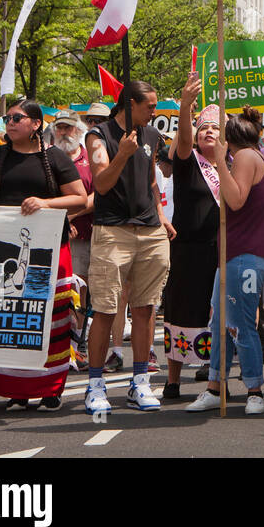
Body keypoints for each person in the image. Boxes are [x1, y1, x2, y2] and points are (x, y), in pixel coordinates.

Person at [0, 100, 87, 410]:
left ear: (36, 124)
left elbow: (80, 199)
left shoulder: (55, 158)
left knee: (48, 319)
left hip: (50, 250)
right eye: (8, 117)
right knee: (12, 319)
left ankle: (51, 387)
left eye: (17, 118)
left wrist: (45, 204)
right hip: (1, 251)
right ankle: (16, 388)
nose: (10, 122)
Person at [186, 108, 264, 415]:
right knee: (219, 324)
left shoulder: (245, 158)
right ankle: (215, 386)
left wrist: (219, 163)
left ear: (230, 140)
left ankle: (255, 389)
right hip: (244, 254)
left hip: (245, 255)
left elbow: (236, 198)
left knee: (241, 324)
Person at [83, 81, 172, 414]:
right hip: (112, 231)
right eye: (149, 106)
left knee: (146, 308)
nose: (154, 112)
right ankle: (95, 385)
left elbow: (151, 181)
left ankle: (140, 382)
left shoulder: (151, 135)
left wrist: (161, 217)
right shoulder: (98, 136)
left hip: (150, 231)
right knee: (105, 309)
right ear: (130, 103)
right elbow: (102, 182)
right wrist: (121, 154)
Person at [161, 75, 221, 399]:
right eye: (203, 129)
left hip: (218, 251)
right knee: (179, 311)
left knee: (211, 314)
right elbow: (182, 140)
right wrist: (185, 107)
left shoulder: (230, 166)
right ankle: (173, 380)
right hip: (185, 250)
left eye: (215, 128)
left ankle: (212, 377)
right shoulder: (188, 164)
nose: (208, 132)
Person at [50, 110, 95, 373]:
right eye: (60, 128)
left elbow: (98, 193)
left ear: (79, 130)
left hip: (89, 234)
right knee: (65, 292)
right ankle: (64, 347)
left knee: (85, 294)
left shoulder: (89, 159)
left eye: (69, 128)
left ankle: (79, 345)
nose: (64, 132)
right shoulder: (48, 158)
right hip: (57, 237)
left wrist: (72, 216)